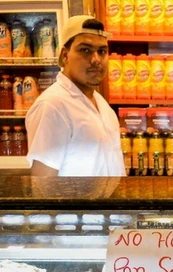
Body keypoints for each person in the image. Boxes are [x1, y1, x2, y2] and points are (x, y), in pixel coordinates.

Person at [25, 15, 125, 177]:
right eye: (85, 50)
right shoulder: (52, 106)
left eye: (102, 51)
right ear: (65, 55)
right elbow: (43, 186)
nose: (96, 59)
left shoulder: (100, 103)